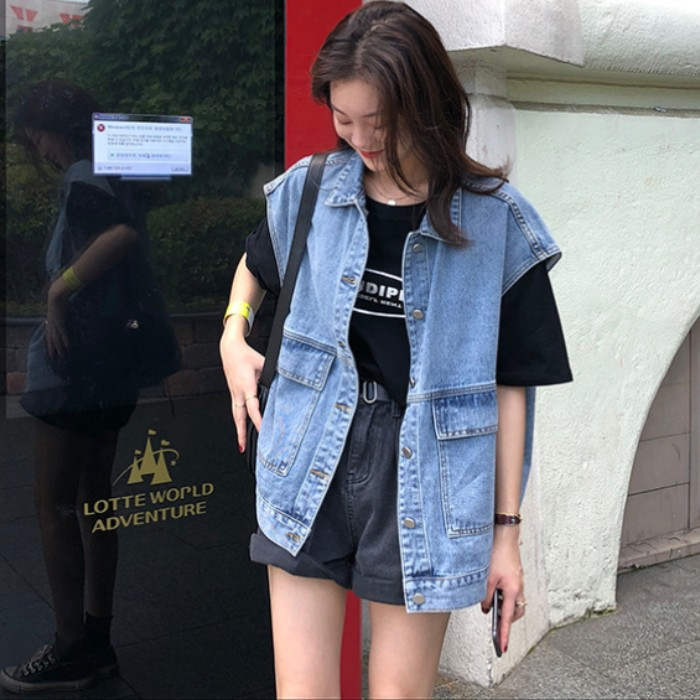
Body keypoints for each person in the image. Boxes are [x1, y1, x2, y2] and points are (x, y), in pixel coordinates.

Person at [220, 2, 573, 697]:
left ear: (427, 103)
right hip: (309, 448)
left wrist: (506, 535)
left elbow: (513, 385)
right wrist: (234, 334)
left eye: (378, 122)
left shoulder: (496, 220)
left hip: (425, 472)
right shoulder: (314, 188)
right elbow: (257, 264)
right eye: (344, 120)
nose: (361, 140)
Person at [1, 80, 164, 694]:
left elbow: (119, 238)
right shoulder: (111, 176)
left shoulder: (82, 179)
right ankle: (97, 638)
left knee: (55, 504)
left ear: (53, 131)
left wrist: (57, 290)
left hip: (74, 370)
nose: (36, 147)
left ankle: (71, 644)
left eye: (36, 135)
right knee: (96, 500)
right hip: (108, 367)